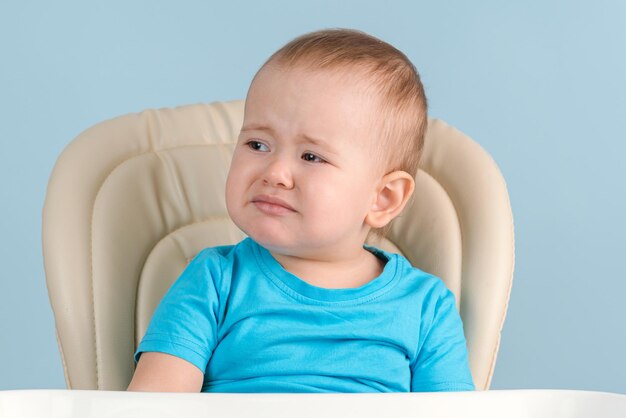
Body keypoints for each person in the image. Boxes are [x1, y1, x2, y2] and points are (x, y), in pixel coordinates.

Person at [127, 28, 474, 393]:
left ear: (383, 198)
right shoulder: (214, 282)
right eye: (257, 144)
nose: (274, 173)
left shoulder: (425, 307)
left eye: (311, 156)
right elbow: (154, 406)